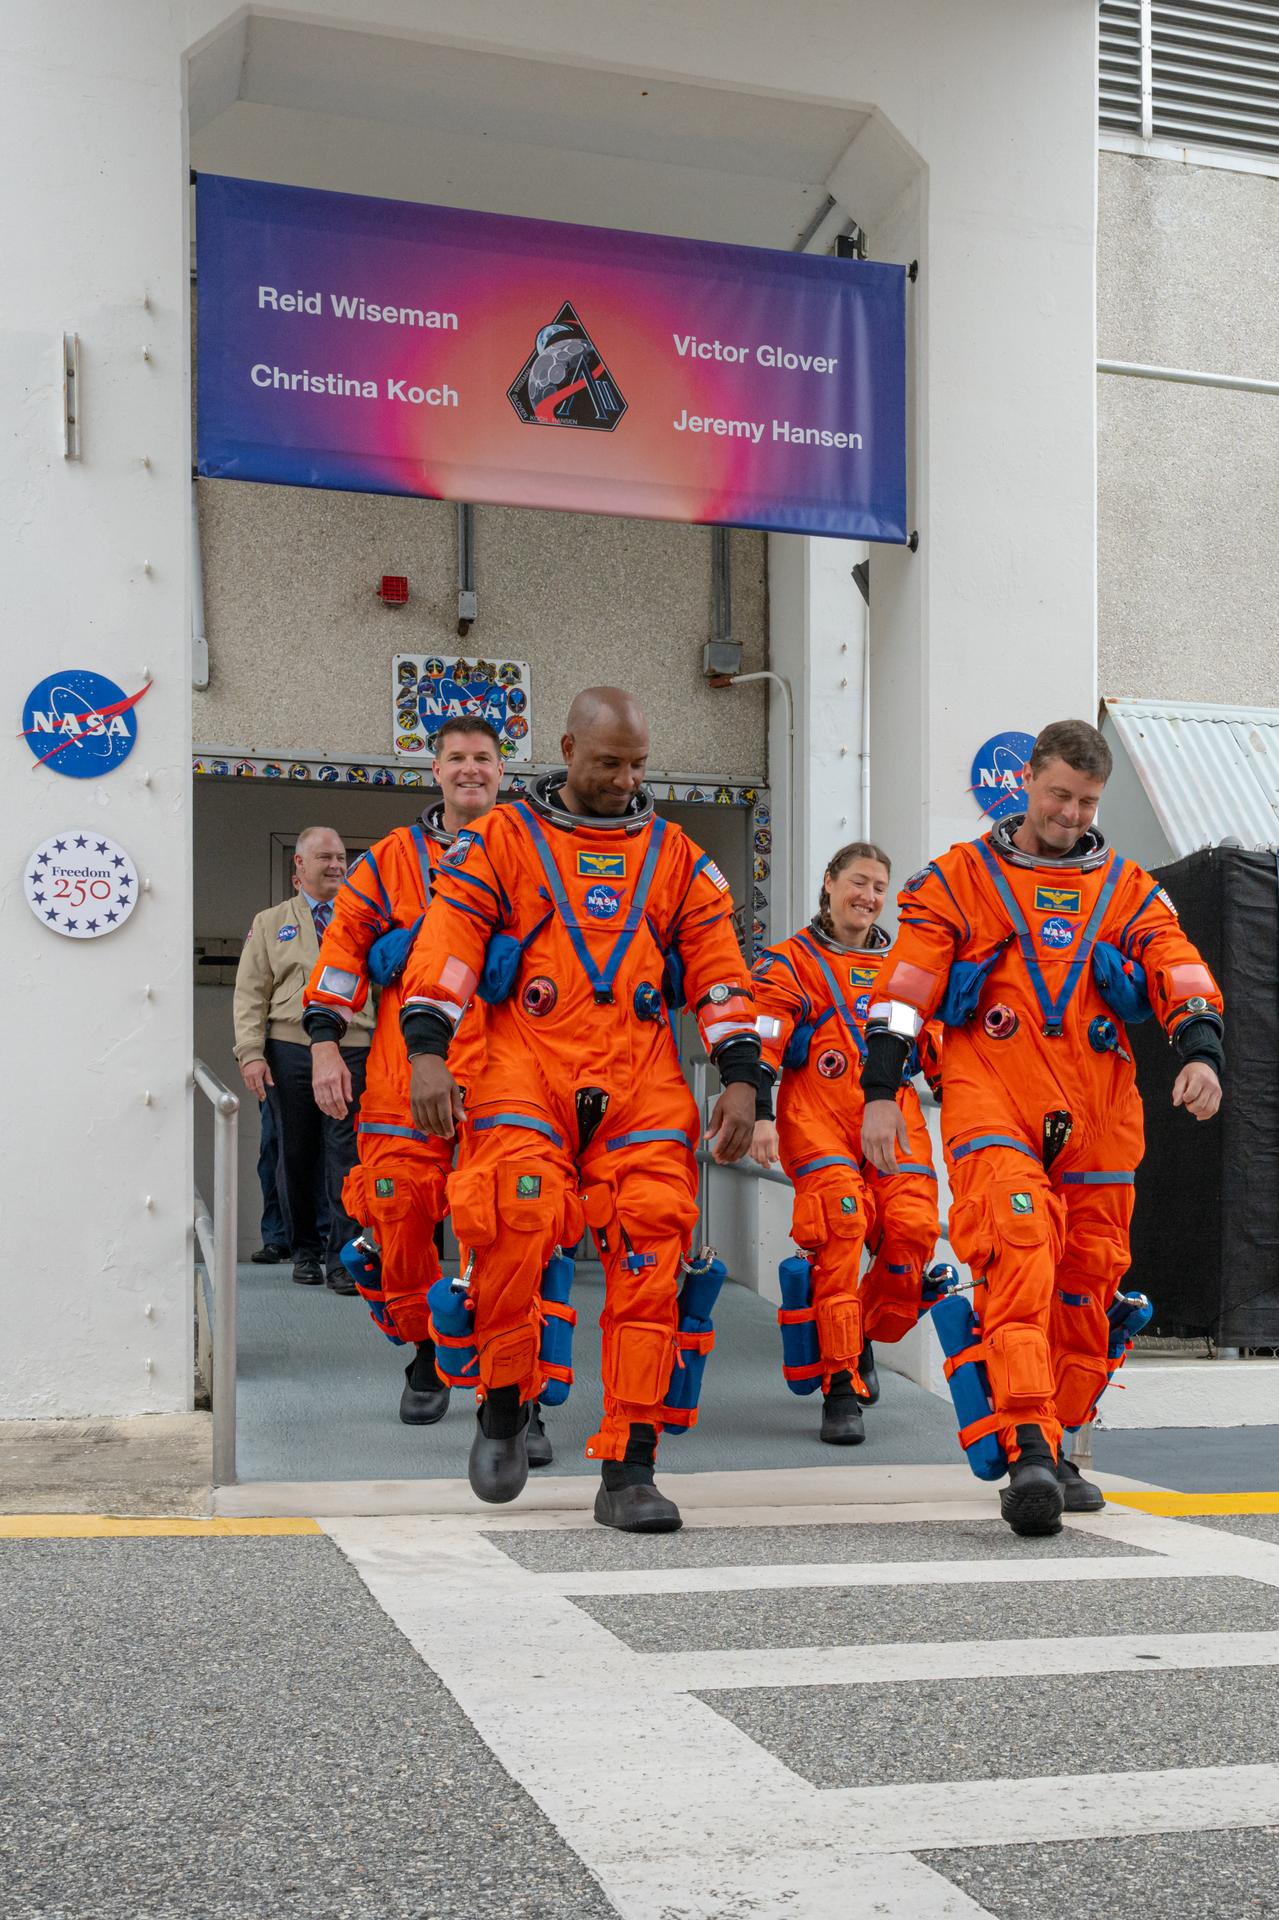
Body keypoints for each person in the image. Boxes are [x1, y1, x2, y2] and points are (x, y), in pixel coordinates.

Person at [400, 687, 760, 1533]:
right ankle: (501, 1401)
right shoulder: (499, 842)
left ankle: (629, 1467)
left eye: (636, 764)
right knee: (516, 1222)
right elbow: (447, 949)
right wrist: (425, 1052)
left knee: (653, 1247)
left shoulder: (677, 857)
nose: (623, 779)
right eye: (607, 763)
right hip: (523, 1060)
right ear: (566, 749)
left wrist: (744, 1078)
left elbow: (718, 973)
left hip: (638, 1073)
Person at [861, 719, 1224, 1536]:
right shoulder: (959, 880)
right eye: (1057, 795)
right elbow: (904, 985)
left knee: (1087, 1285)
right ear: (1026, 781)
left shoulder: (1126, 887)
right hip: (993, 1097)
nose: (1068, 814)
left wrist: (1200, 1048)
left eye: (1085, 801)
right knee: (1018, 1256)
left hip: (1099, 1112)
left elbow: (1175, 963)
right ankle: (1025, 1443)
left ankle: (1056, 1438)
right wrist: (881, 1087)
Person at [301, 719, 513, 1434]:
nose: (469, 769)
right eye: (456, 758)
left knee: (509, 1229)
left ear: (502, 770)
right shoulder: (388, 861)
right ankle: (426, 1349)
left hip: (505, 1071)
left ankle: (509, 1390)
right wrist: (325, 1042)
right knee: (397, 1215)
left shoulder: (534, 852)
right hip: (402, 1069)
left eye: (482, 758)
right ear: (435, 770)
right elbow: (341, 951)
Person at [750, 842, 943, 1445]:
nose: (869, 896)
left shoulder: (909, 966)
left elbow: (939, 1045)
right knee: (841, 1228)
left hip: (892, 1115)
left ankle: (856, 1334)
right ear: (830, 883)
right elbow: (761, 1044)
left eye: (880, 887)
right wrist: (759, 1115)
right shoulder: (787, 964)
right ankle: (840, 1388)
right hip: (817, 1118)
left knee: (913, 1228)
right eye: (859, 882)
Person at [233, 828, 371, 1288]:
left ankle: (342, 1257)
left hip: (353, 1048)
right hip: (289, 1049)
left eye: (341, 857)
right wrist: (251, 1053)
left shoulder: (366, 918)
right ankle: (305, 1250)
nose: (336, 865)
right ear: (298, 866)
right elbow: (251, 993)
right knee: (295, 1152)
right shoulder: (272, 921)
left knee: (346, 1154)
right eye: (324, 857)